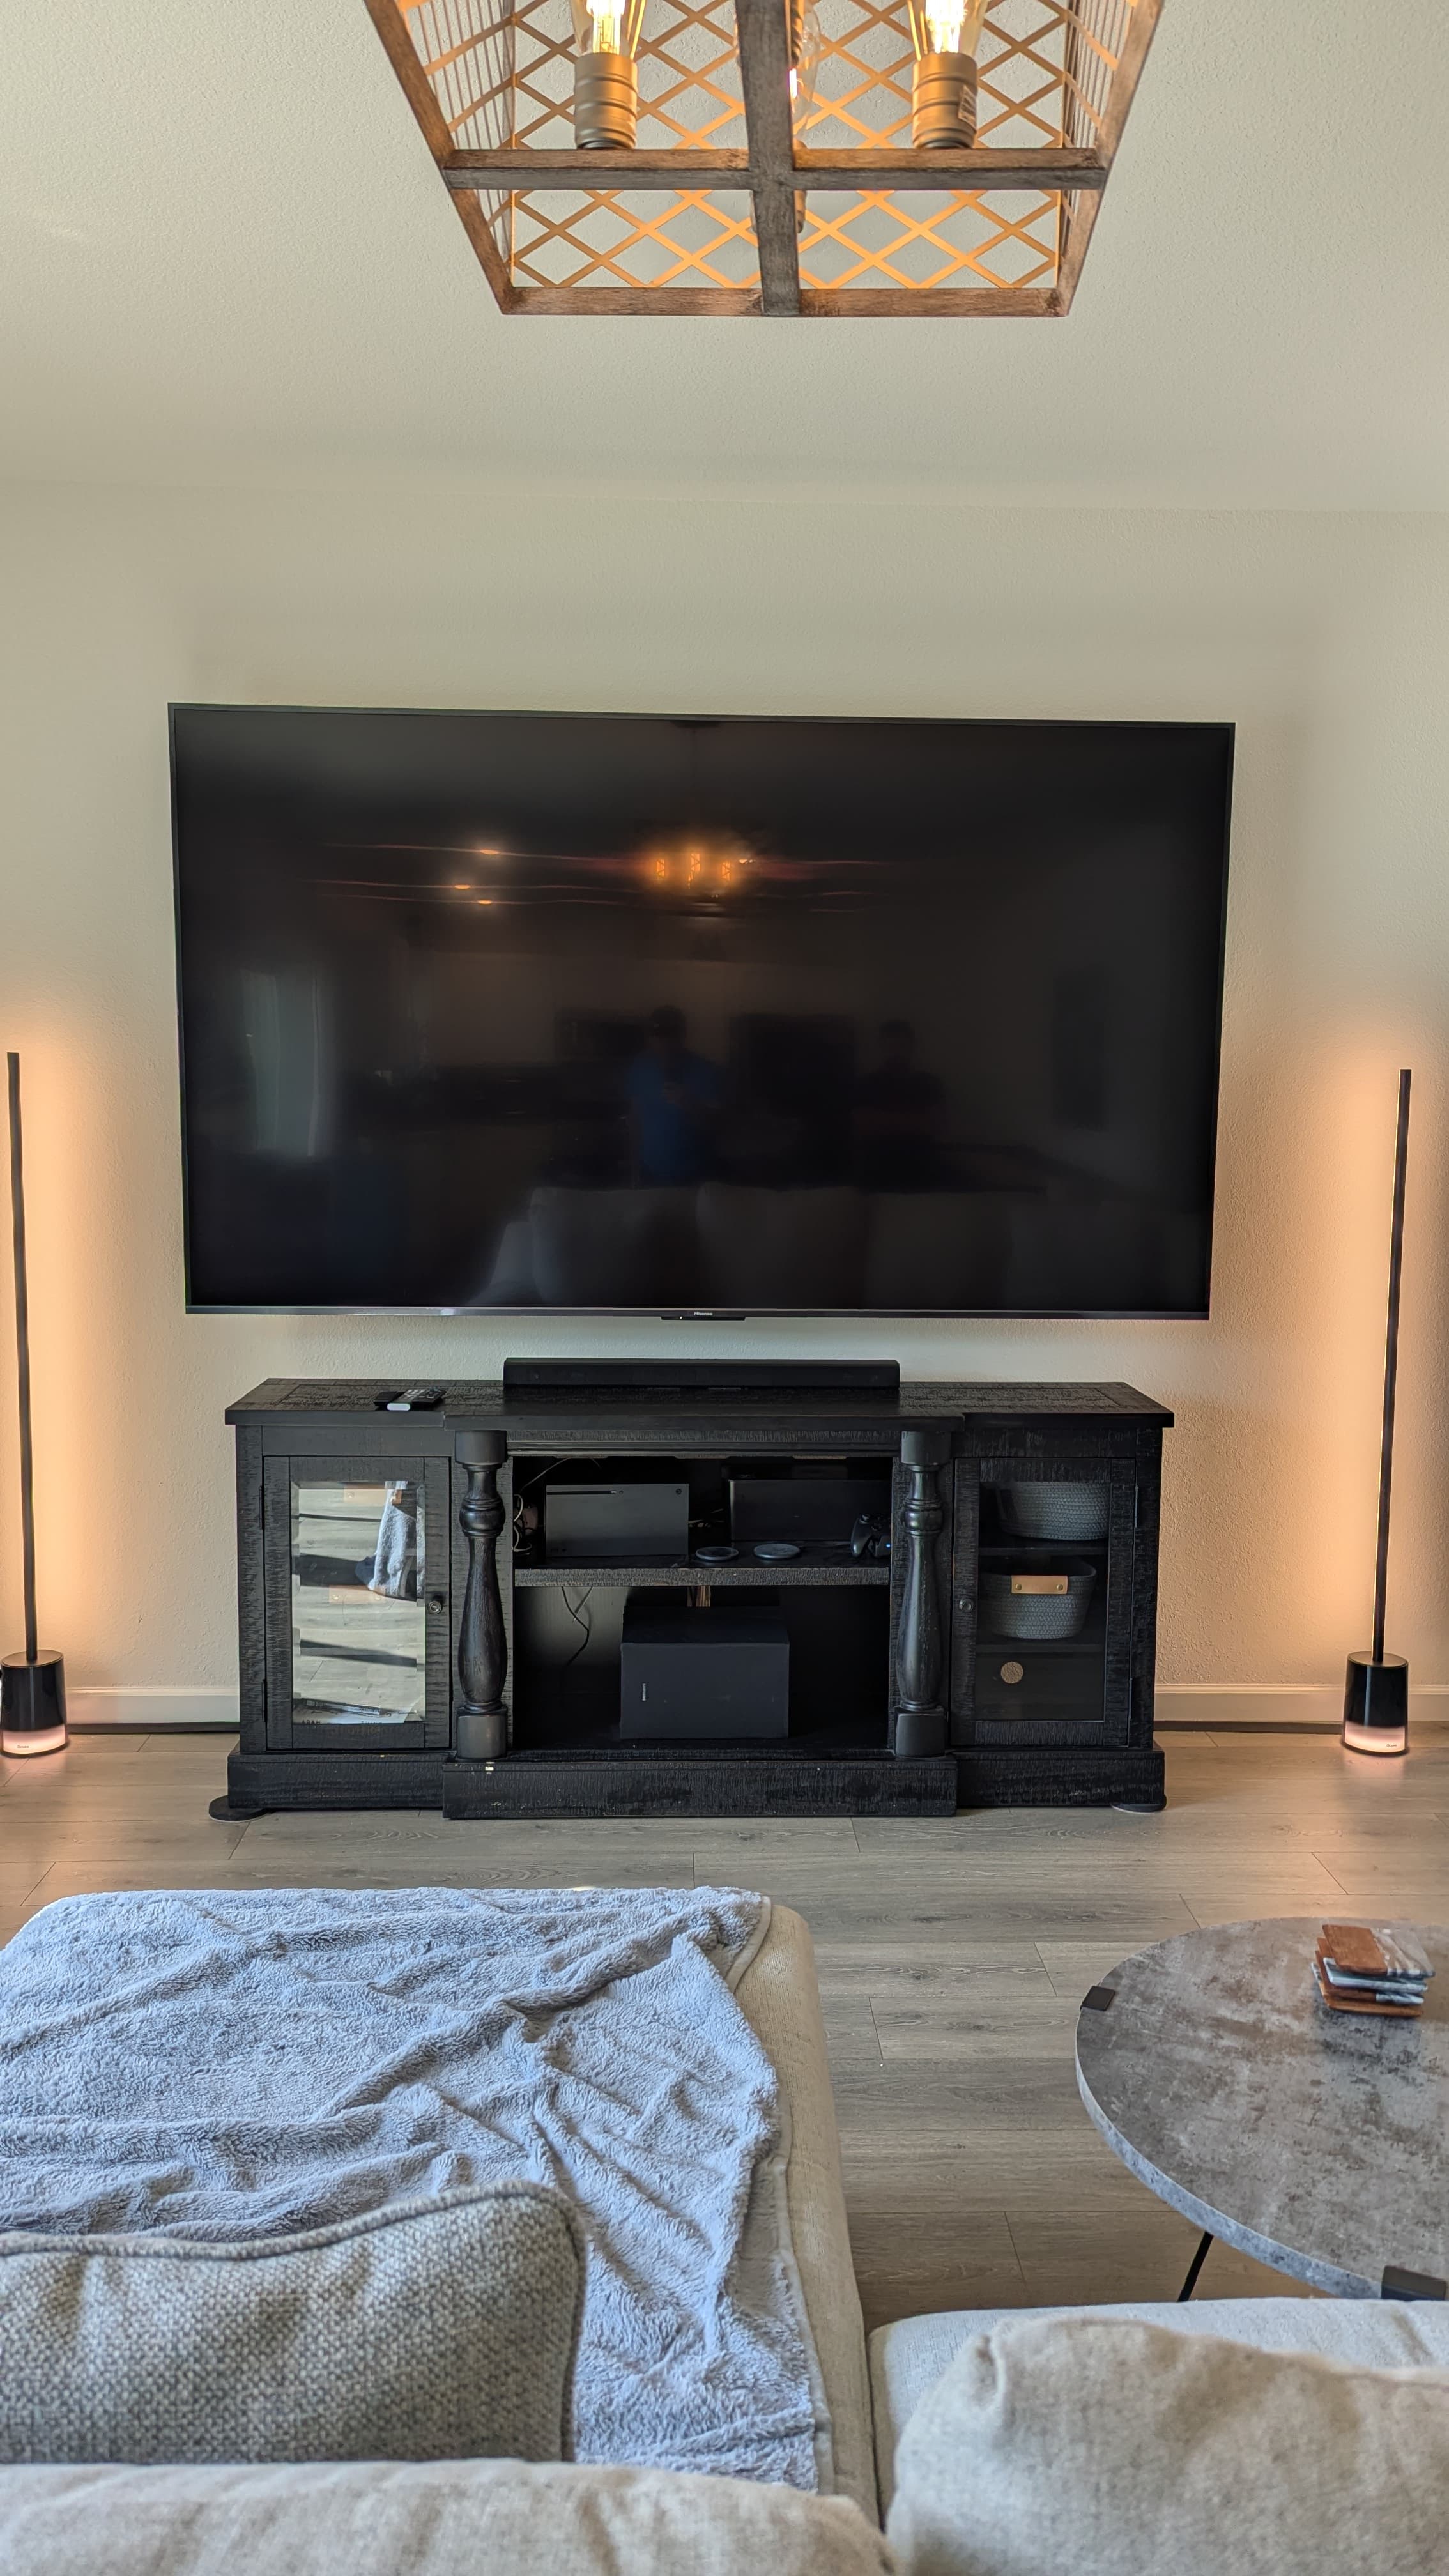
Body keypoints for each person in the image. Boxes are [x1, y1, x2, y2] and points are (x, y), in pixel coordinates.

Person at [625, 1007, 721, 1186]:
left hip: (696, 1176)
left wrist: (689, 1103)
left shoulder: (707, 1071)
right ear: (649, 1037)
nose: (664, 1041)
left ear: (683, 1035)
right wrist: (634, 1170)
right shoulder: (639, 1069)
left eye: (671, 1034)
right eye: (658, 1034)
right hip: (650, 1173)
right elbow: (634, 1121)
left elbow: (717, 1128)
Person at [853, 1019, 946, 1188]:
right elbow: (862, 1125)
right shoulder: (866, 1084)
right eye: (891, 1046)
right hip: (877, 1168)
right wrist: (915, 1121)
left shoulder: (929, 1083)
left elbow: (934, 1126)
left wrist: (881, 1120)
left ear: (911, 1047)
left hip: (921, 1168)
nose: (896, 1052)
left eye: (901, 1046)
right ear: (882, 1047)